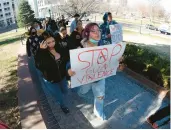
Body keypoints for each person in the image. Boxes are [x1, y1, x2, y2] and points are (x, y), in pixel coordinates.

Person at [67, 23, 106, 120]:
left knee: (100, 96)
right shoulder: (80, 46)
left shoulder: (104, 46)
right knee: (83, 92)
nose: (97, 33)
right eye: (93, 31)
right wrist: (69, 70)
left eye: (98, 30)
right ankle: (78, 91)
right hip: (86, 79)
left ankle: (98, 112)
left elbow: (109, 62)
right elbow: (70, 63)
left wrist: (117, 63)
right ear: (87, 33)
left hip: (99, 78)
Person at [36, 36, 70, 114]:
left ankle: (62, 99)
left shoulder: (59, 48)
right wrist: (41, 50)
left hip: (62, 77)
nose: (51, 44)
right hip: (51, 80)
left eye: (53, 41)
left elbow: (66, 59)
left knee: (65, 91)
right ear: (44, 43)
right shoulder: (42, 53)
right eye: (48, 42)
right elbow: (38, 65)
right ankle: (63, 105)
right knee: (59, 96)